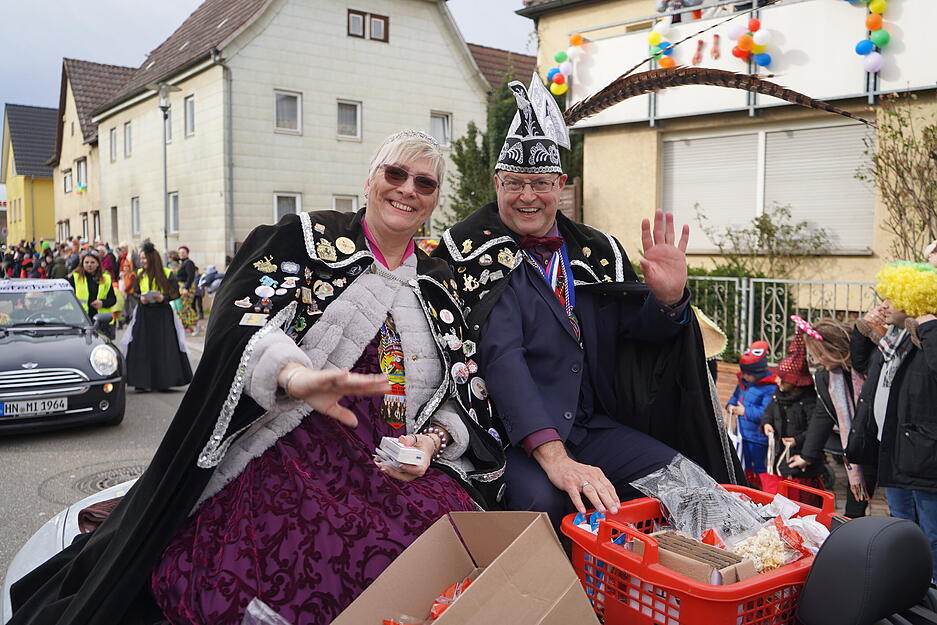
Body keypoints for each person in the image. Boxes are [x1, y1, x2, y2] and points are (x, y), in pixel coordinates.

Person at [9, 130, 505, 625]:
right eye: (395, 174)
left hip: (393, 467)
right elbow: (242, 318)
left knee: (446, 553)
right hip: (293, 448)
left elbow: (461, 386)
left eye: (424, 183)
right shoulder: (307, 239)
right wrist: (292, 375)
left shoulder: (439, 285)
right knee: (310, 561)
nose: (407, 190)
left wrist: (432, 441)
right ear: (370, 179)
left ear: (436, 199)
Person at [433, 75, 742, 530]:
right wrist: (555, 458)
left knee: (692, 488)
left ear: (560, 183)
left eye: (539, 183)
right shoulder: (468, 253)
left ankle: (742, 574)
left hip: (592, 427)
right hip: (507, 435)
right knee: (546, 508)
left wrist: (668, 300)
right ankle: (563, 601)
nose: (526, 196)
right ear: (496, 182)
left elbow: (638, 344)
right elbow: (503, 358)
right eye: (514, 183)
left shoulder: (595, 250)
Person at [847, 262, 937, 580]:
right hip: (894, 450)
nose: (883, 305)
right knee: (900, 527)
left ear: (912, 300)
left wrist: (926, 325)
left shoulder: (926, 337)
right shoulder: (895, 342)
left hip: (924, 457)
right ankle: (907, 587)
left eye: (891, 298)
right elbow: (860, 365)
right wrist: (861, 331)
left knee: (930, 536)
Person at [792, 317, 874, 518]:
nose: (818, 361)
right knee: (855, 503)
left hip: (878, 442)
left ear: (836, 350)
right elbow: (823, 415)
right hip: (856, 447)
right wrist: (807, 455)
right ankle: (851, 532)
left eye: (820, 355)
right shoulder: (826, 377)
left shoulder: (868, 367)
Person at [760, 324, 823, 504]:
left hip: (799, 461)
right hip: (779, 456)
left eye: (782, 378)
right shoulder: (778, 395)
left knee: (799, 502)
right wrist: (767, 424)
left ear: (794, 381)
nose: (777, 380)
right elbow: (768, 413)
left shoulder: (809, 402)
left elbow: (814, 429)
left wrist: (798, 440)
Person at [121, 241, 193, 392]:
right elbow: (134, 291)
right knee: (142, 346)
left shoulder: (167, 273)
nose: (142, 261)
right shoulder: (139, 274)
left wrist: (164, 298)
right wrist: (140, 297)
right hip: (144, 313)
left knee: (163, 346)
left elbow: (175, 293)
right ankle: (141, 381)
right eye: (141, 258)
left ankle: (164, 380)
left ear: (152, 258)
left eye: (145, 258)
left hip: (162, 314)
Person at [726, 340, 777, 490]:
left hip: (758, 438)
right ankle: (746, 488)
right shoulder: (742, 382)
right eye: (744, 373)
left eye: (748, 374)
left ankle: (764, 492)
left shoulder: (769, 388)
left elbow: (766, 412)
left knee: (760, 469)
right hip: (742, 436)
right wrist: (730, 405)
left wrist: (745, 412)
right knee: (744, 466)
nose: (745, 376)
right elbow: (735, 397)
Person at [66, 251, 116, 335]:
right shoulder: (75, 277)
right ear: (82, 264)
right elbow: (67, 297)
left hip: (101, 321)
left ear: (97, 264)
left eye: (92, 262)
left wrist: (102, 303)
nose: (89, 265)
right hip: (80, 320)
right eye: (86, 262)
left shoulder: (106, 278)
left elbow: (113, 299)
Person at [174, 245, 199, 334]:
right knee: (180, 308)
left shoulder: (189, 263)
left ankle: (195, 325)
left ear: (187, 253)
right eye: (180, 252)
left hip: (186, 287)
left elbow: (190, 276)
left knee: (185, 307)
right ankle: (187, 326)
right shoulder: (182, 263)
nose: (181, 254)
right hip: (181, 287)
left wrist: (186, 288)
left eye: (183, 252)